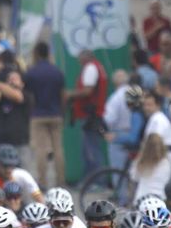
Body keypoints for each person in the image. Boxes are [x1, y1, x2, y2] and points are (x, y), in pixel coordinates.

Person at [23, 41, 66, 189]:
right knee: (58, 148)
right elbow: (62, 95)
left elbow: (28, 94)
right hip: (55, 113)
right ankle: (61, 181)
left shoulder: (32, 72)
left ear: (36, 53)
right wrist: (62, 112)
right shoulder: (57, 72)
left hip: (38, 114)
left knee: (41, 149)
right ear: (48, 53)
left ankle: (43, 181)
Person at [67, 46, 108, 176]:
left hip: (90, 114)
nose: (79, 62)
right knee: (90, 148)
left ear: (85, 58)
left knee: (91, 150)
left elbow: (87, 91)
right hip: (94, 113)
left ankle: (96, 180)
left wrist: (70, 94)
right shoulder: (98, 67)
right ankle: (92, 179)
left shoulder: (90, 68)